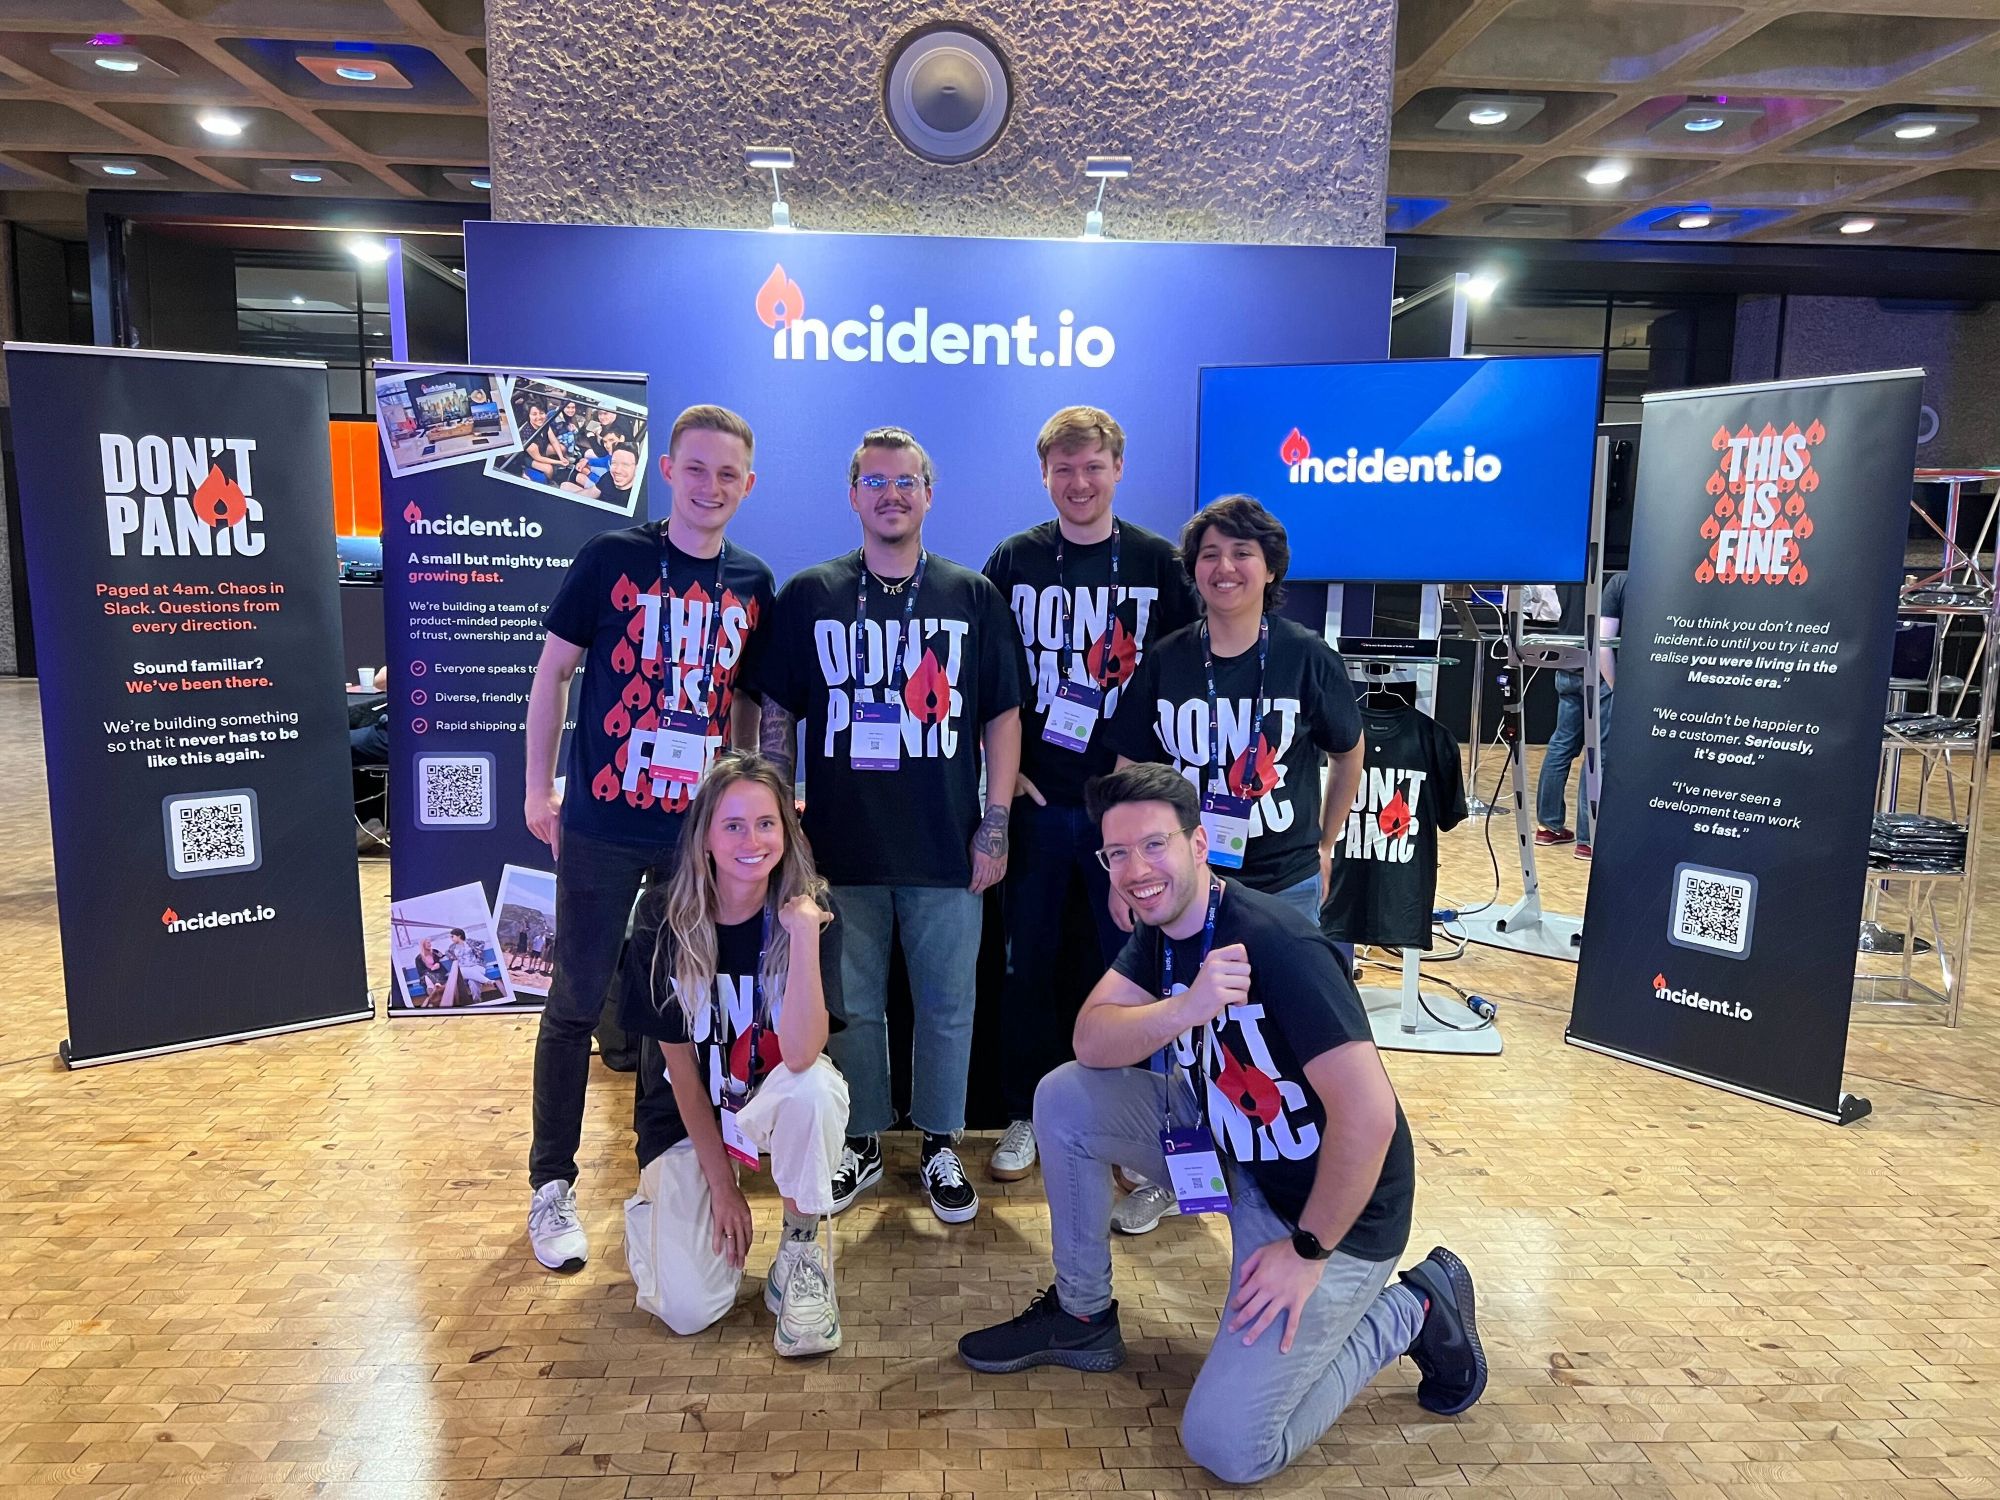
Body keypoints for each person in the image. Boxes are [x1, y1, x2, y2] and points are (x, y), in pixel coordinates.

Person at [957, 764, 1485, 1484]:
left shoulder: (1279, 945)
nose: (1136, 871)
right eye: (1117, 854)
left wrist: (1308, 1251)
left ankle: (1417, 1306)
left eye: (1154, 846)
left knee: (1230, 1447)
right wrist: (1187, 1006)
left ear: (1199, 844)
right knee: (1064, 1098)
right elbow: (1090, 1040)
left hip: (1331, 1214)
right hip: (1235, 1151)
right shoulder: (1166, 929)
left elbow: (1369, 1118)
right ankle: (1083, 1317)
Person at [522, 404, 777, 1274]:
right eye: (696, 468)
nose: (711, 486)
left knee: (677, 1006)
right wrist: (538, 788)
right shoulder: (611, 558)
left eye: (728, 473)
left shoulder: (752, 580)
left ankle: (660, 1163)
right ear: (667, 471)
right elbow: (554, 672)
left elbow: (745, 704)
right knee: (576, 999)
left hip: (691, 839)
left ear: (749, 484)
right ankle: (551, 1183)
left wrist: (744, 803)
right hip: (601, 822)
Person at [754, 425, 1023, 1224]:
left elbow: (1002, 716)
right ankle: (863, 1138)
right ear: (853, 495)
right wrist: (784, 820)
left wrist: (996, 822)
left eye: (906, 481)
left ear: (929, 495)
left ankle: (940, 1141)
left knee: (948, 1007)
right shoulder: (812, 593)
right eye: (875, 482)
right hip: (841, 850)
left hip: (947, 847)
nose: (892, 495)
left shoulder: (971, 595)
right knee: (855, 1009)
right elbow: (777, 714)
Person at [1104, 495, 1365, 1233]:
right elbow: (1129, 770)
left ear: (1270, 567)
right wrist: (1123, 871)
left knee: (1283, 1035)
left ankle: (1287, 1180)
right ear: (1193, 571)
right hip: (1183, 891)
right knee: (1175, 1031)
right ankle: (1175, 1173)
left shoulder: (1306, 656)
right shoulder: (1168, 660)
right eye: (1210, 555)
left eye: (1242, 553)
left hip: (1283, 883)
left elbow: (1348, 753)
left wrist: (1325, 841)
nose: (1225, 568)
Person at [979, 406, 1198, 1183]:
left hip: (1129, 815)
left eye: (1093, 467)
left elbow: (1186, 674)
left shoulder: (1157, 563)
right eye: (1063, 469)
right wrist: (1002, 773)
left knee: (1134, 969)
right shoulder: (1014, 559)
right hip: (1040, 807)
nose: (1079, 483)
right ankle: (1024, 1113)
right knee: (1027, 967)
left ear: (1118, 470)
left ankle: (1137, 1127)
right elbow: (982, 674)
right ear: (1044, 475)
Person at [617, 753, 849, 1355]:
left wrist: (802, 936)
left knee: (815, 1090)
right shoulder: (661, 919)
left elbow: (802, 1054)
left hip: (771, 1101)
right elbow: (680, 1074)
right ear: (705, 838)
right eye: (734, 825)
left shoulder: (813, 911)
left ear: (786, 831)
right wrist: (723, 1186)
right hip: (690, 1115)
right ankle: (659, 1211)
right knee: (690, 1310)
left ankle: (800, 1252)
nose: (753, 841)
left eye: (766, 823)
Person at [1534, 571, 1625, 861]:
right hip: (1600, 670)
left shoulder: (1570, 570)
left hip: (1567, 664)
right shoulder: (1616, 579)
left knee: (1561, 745)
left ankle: (1547, 826)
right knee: (1597, 753)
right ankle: (1588, 839)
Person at [440, 927, 487, 1006]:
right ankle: (486, 985)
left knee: (472, 981)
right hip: (463, 969)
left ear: (459, 936)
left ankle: (477, 1001)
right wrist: (452, 957)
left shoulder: (469, 941)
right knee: (472, 979)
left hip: (476, 965)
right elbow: (447, 952)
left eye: (452, 936)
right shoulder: (452, 947)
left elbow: (482, 943)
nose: (451, 939)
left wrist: (478, 951)